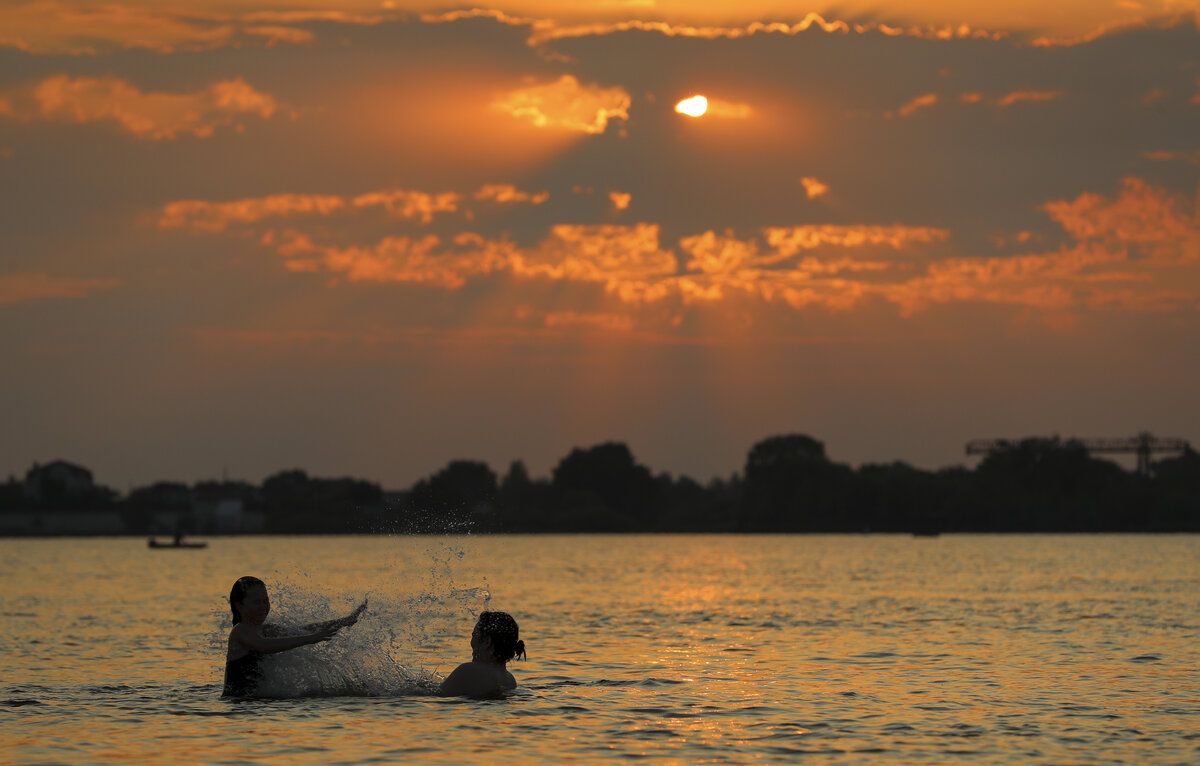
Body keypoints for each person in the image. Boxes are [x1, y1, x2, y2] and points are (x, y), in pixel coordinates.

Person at [223, 575, 367, 697]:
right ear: (239, 606)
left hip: (257, 701)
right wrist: (310, 639)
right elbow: (265, 646)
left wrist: (344, 621)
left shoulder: (265, 629)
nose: (263, 606)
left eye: (265, 601)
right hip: (239, 702)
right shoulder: (239, 631)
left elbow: (302, 630)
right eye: (256, 602)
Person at [439, 610, 527, 698]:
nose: (471, 641)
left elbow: (438, 695)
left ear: (487, 642)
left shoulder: (468, 670)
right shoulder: (510, 680)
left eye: (474, 635)